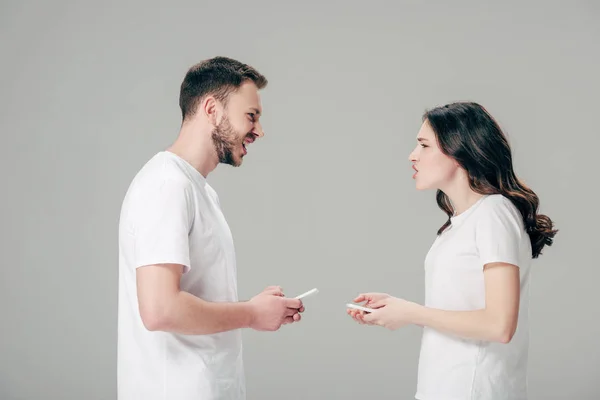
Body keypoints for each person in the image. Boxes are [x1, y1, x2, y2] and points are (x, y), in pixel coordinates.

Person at [117, 56, 304, 400]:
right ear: (211, 109)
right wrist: (252, 313)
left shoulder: (198, 190)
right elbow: (160, 309)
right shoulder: (167, 186)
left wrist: (259, 308)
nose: (259, 131)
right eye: (251, 116)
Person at [347, 102, 558, 400]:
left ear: (459, 151)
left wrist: (408, 312)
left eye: (423, 145)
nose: (412, 155)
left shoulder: (494, 213)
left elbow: (499, 325)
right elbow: (458, 308)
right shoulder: (458, 224)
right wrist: (396, 306)